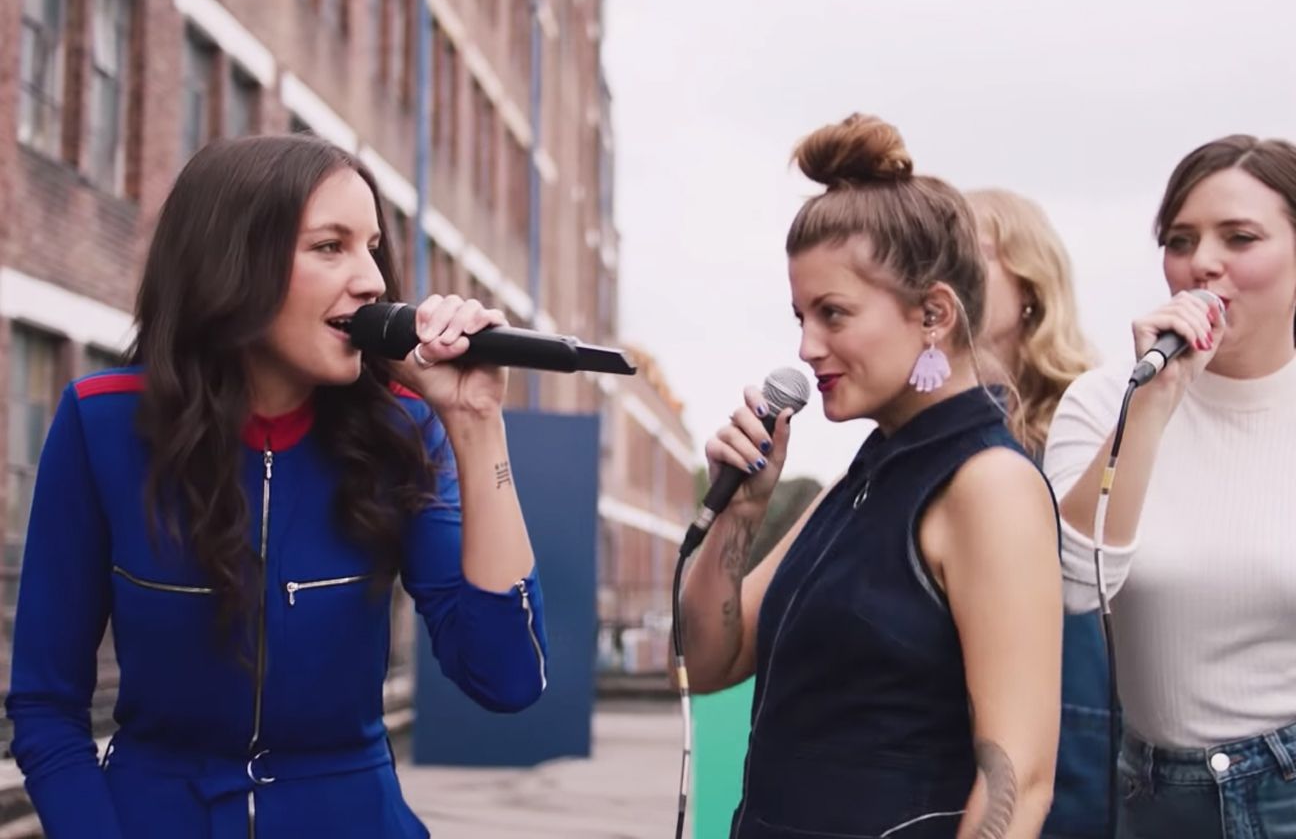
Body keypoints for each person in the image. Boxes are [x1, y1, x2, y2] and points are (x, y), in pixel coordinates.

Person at [5, 134, 549, 838]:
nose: (373, 281)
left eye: (371, 248)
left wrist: (475, 424)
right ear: (231, 262)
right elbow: (46, 708)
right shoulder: (101, 421)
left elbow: (507, 679)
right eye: (330, 247)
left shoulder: (404, 428)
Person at [679, 113, 1063, 839]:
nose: (805, 346)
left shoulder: (989, 488)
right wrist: (738, 516)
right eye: (800, 315)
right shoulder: (856, 484)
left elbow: (1018, 782)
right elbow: (707, 664)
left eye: (833, 314)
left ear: (934, 313)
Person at [1044, 134, 1296, 839]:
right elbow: (1073, 585)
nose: (1202, 262)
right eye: (1180, 241)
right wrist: (1153, 405)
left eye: (1240, 237)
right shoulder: (1105, 400)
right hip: (1154, 795)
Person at [967, 187, 1111, 839]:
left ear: (1030, 283)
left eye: (971, 253)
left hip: (1079, 749)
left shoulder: (1093, 417)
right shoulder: (919, 433)